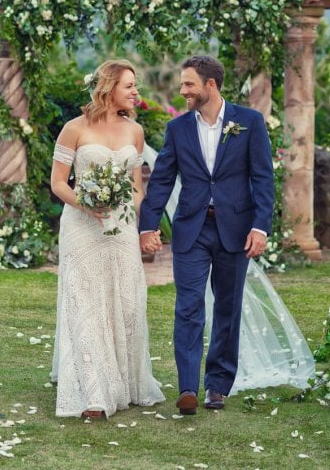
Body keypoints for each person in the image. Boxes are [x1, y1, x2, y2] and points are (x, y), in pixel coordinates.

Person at [139, 55, 275, 415]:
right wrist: (147, 225)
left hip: (236, 229)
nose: (183, 90)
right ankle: (187, 388)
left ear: (209, 85)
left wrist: (260, 226)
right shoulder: (178, 128)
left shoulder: (249, 122)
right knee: (188, 307)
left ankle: (217, 385)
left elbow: (263, 178)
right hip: (192, 229)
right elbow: (163, 179)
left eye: (188, 84)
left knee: (227, 308)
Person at [50, 59, 165, 420]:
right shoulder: (73, 129)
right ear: (108, 88)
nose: (136, 92)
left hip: (121, 229)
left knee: (126, 304)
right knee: (86, 303)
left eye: (136, 86)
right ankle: (94, 395)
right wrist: (88, 204)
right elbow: (58, 184)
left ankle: (125, 382)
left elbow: (137, 188)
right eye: (130, 85)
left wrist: (121, 206)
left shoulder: (136, 132)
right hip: (81, 228)